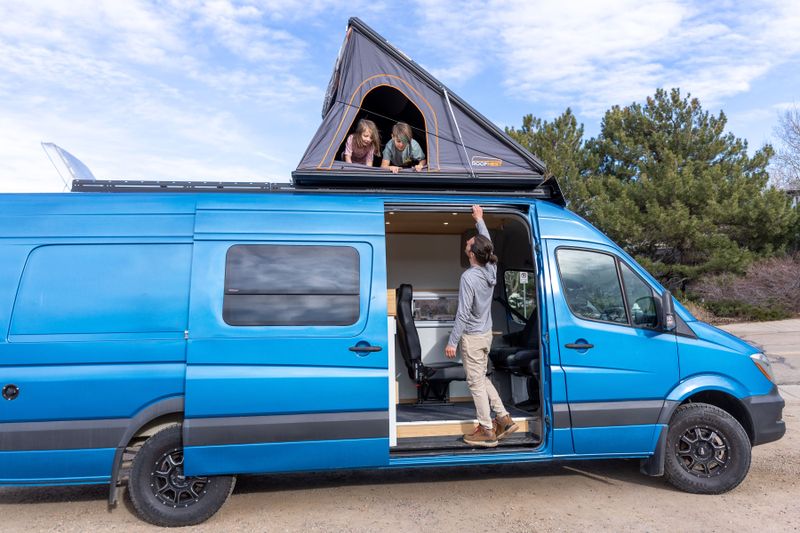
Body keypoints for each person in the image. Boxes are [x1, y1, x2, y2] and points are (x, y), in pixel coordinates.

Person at [445, 205, 518, 448]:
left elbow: (463, 313)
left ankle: (487, 429)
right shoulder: (491, 268)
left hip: (473, 338)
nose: (468, 241)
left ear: (473, 253)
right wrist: (479, 220)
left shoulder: (469, 277)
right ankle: (504, 419)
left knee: (475, 383)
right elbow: (489, 246)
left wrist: (452, 341)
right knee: (482, 378)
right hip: (485, 335)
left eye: (470, 242)